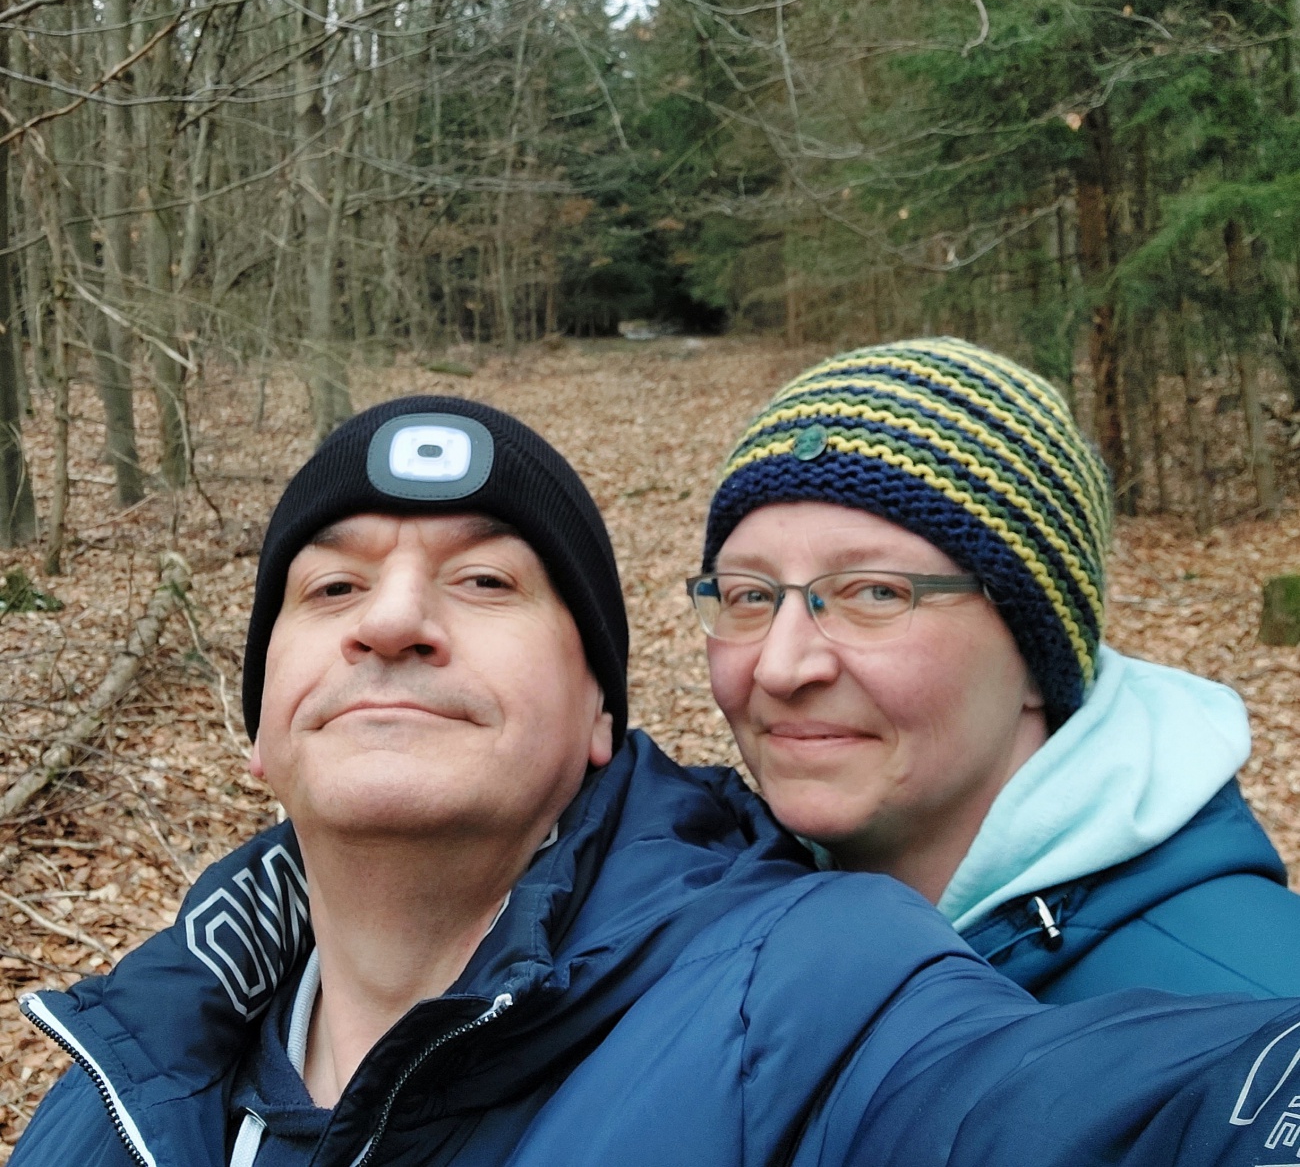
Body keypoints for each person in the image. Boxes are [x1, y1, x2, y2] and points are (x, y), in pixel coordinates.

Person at [16, 393, 1300, 1167]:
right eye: (330, 586)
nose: (391, 619)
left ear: (600, 721)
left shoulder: (812, 994)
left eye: (484, 581)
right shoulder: (124, 1070)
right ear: (259, 729)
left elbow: (1099, 1110)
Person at [692, 335, 1300, 1003]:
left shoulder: (1251, 1022)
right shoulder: (704, 922)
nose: (780, 667)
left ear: (1037, 660)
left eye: (875, 593)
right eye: (749, 595)